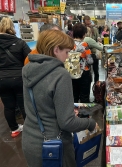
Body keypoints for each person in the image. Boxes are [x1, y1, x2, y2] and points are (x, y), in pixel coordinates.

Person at [22, 29, 97, 167]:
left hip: (30, 141)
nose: (68, 57)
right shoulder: (60, 74)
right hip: (54, 145)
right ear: (56, 49)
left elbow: (39, 104)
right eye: (67, 52)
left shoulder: (27, 69)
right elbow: (67, 123)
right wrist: (90, 123)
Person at [0, 16, 31, 137]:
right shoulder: (20, 42)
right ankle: (29, 129)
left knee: (8, 106)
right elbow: (29, 59)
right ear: (12, 28)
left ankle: (14, 129)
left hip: (1, 79)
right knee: (24, 105)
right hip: (19, 78)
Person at [72, 23, 93, 103]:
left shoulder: (68, 44)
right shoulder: (84, 45)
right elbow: (90, 61)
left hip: (72, 73)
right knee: (84, 97)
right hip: (84, 73)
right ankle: (84, 114)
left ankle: (74, 114)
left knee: (74, 96)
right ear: (84, 34)